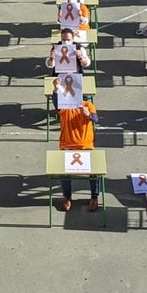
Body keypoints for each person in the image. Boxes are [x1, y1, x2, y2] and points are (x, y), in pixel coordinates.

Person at [50, 75, 100, 212]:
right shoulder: (65, 106)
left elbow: (96, 119)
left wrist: (89, 114)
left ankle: (94, 197)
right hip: (67, 144)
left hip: (86, 145)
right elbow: (56, 103)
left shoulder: (88, 105)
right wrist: (55, 89)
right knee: (64, 172)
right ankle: (67, 197)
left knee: (94, 172)